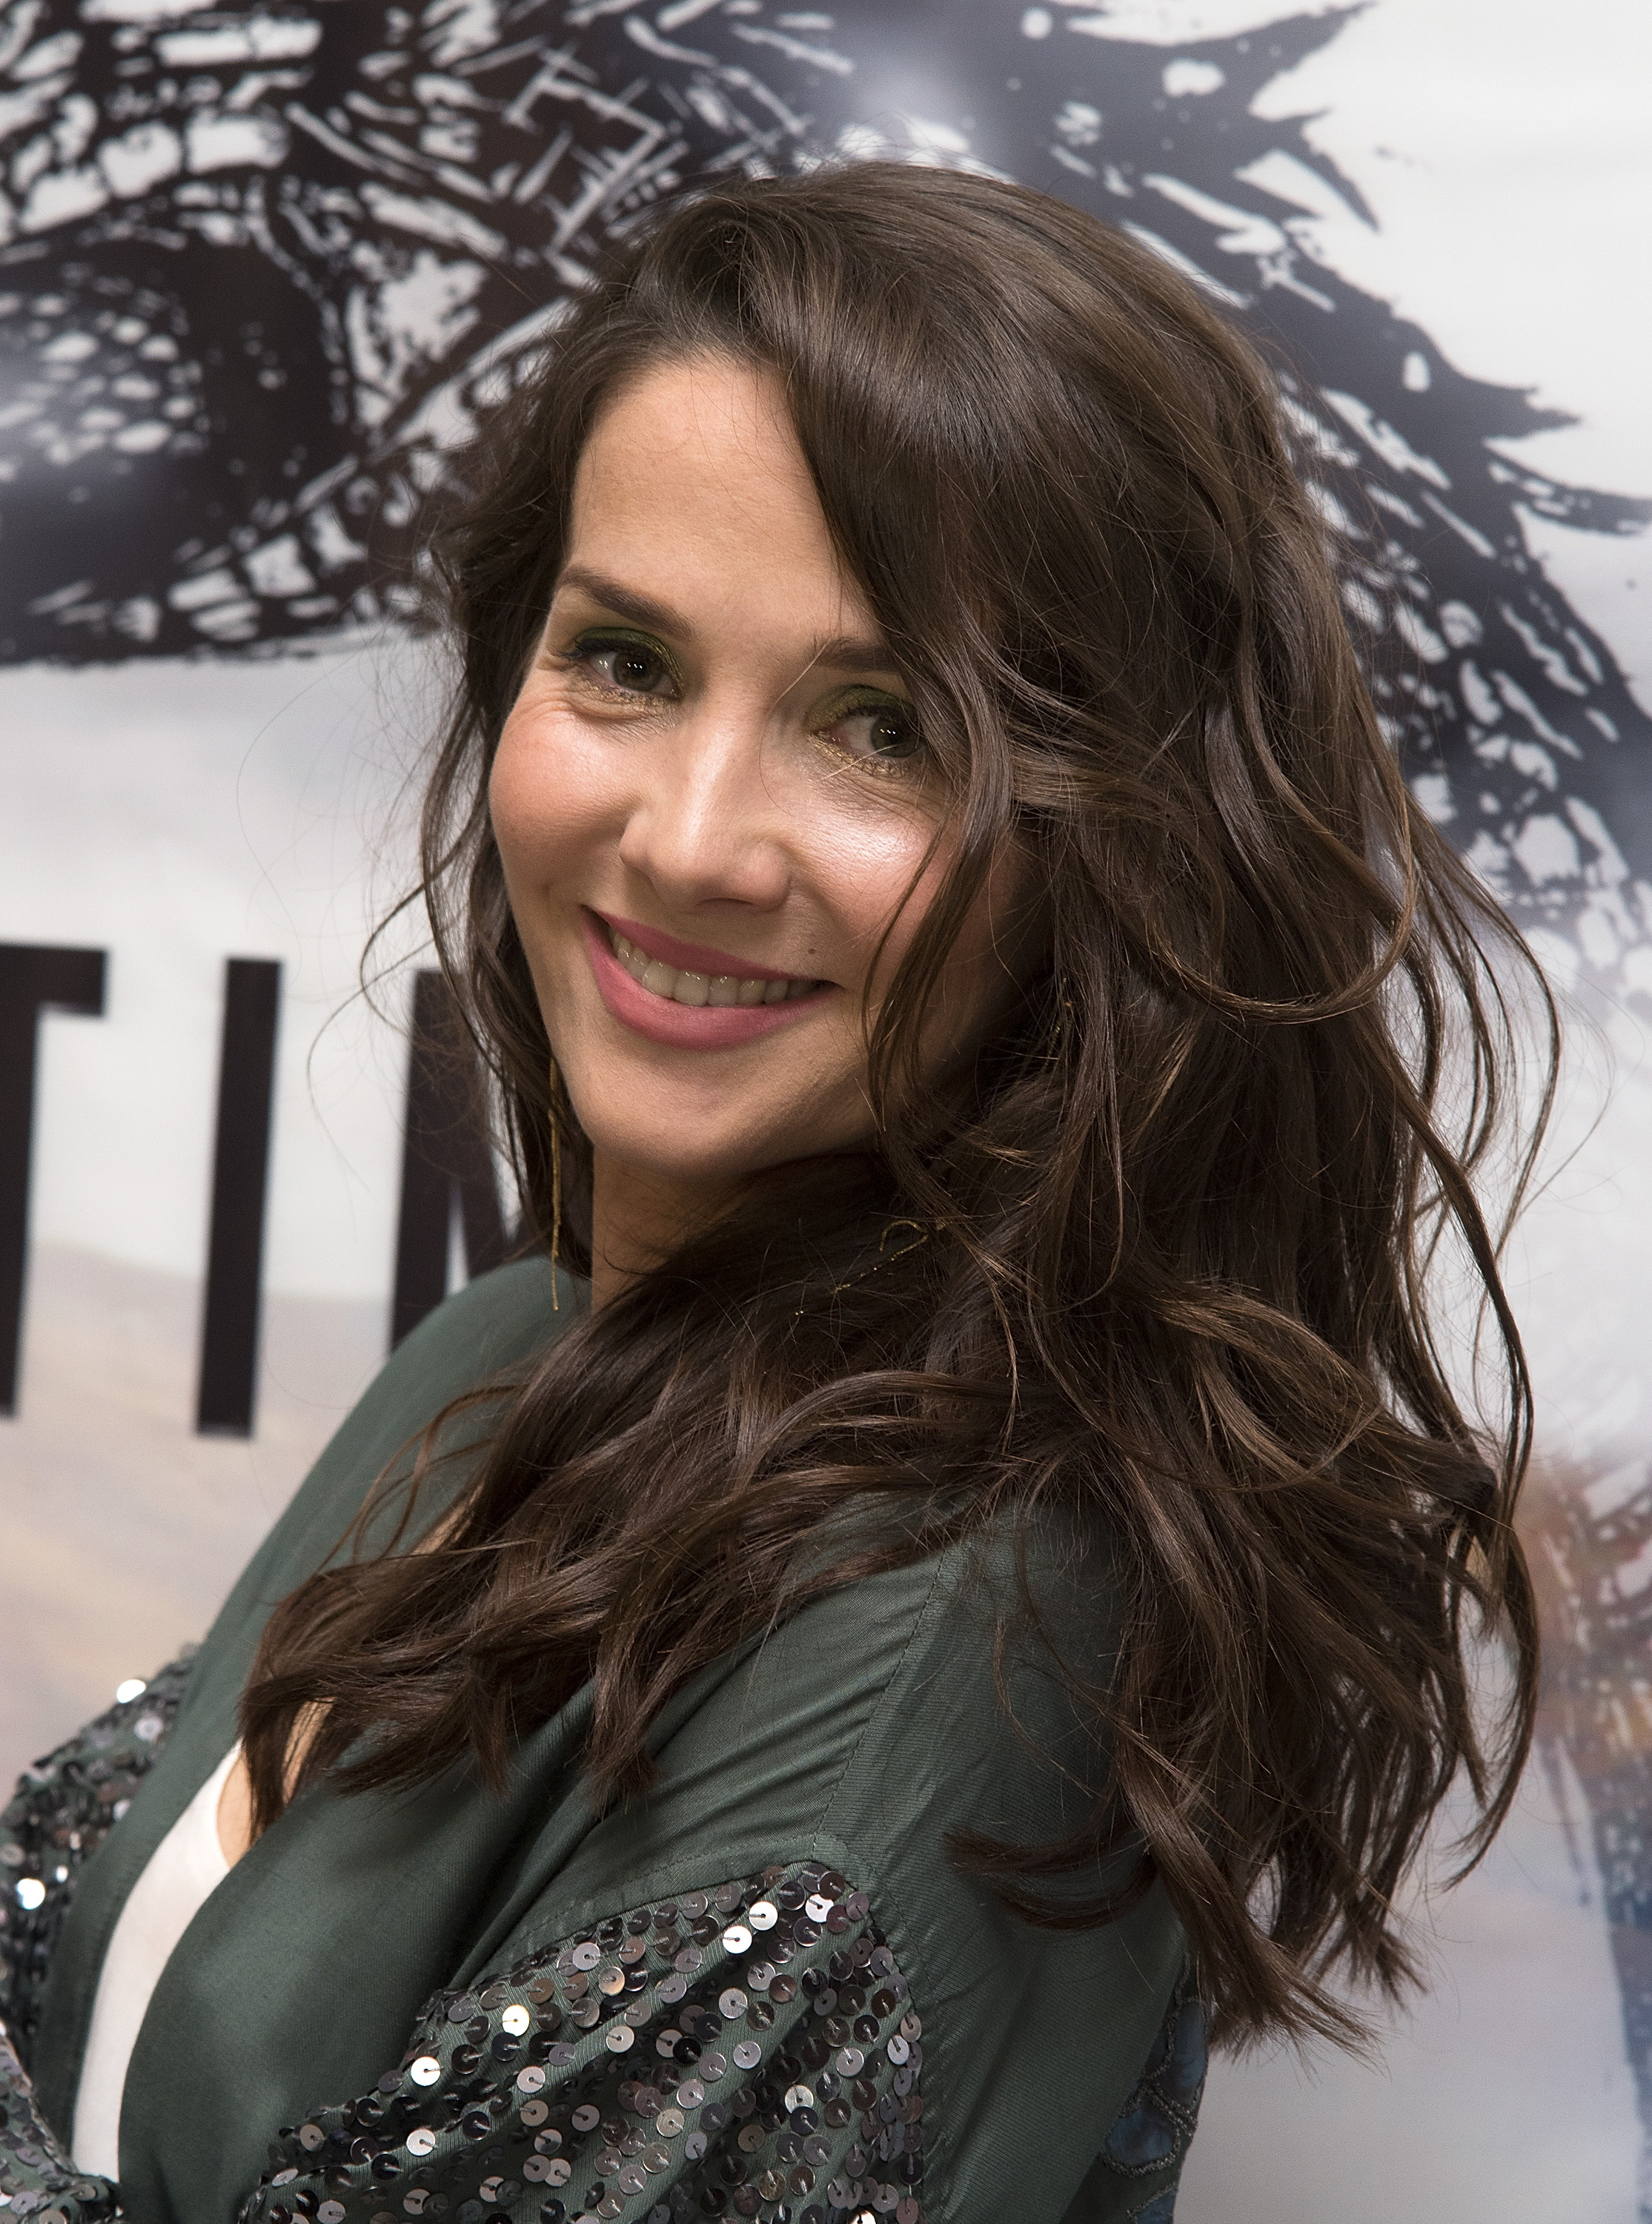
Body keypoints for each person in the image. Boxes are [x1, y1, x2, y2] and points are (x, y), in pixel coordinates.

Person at [0, 162, 1551, 2224]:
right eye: (626, 662)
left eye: (882, 726)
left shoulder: (943, 1651)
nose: (692, 839)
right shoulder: (517, 1346)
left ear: (1121, 849)